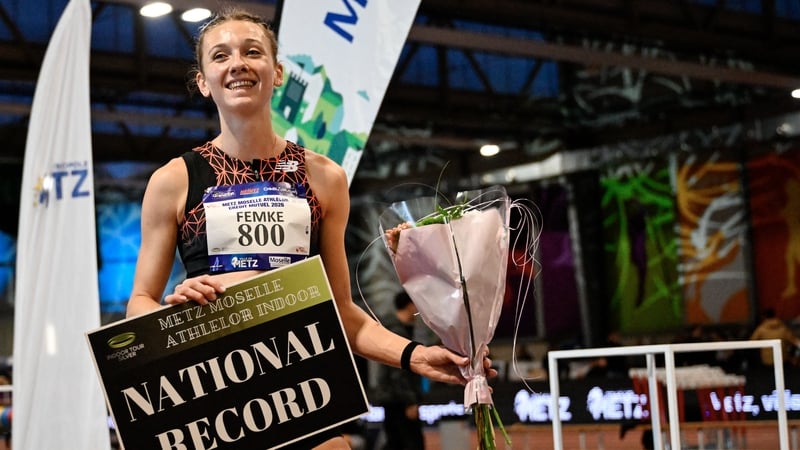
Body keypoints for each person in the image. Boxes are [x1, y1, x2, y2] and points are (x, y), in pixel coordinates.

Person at [125, 7, 492, 449]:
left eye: (252, 52)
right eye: (220, 56)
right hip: (214, 401)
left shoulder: (324, 178)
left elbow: (341, 310)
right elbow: (139, 305)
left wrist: (414, 356)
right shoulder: (173, 181)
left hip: (303, 396)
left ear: (277, 73)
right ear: (203, 81)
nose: (238, 63)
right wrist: (171, 317)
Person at [373, 292, 425, 450]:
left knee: (395, 441)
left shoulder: (394, 329)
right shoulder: (397, 332)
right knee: (410, 443)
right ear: (410, 305)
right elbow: (398, 373)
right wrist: (410, 401)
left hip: (391, 398)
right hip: (399, 401)